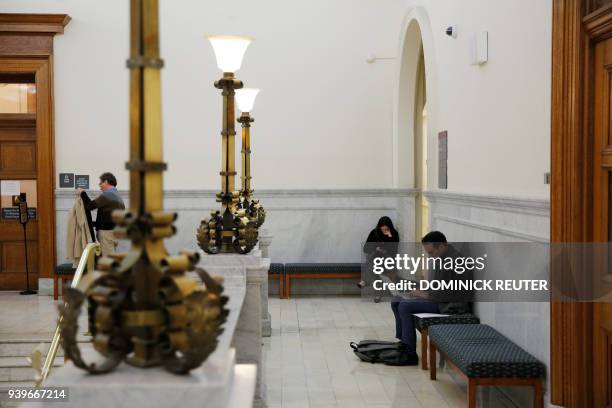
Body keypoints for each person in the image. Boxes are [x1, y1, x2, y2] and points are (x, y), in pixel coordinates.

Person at [389, 231, 471, 365]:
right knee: (396, 301)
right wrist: (422, 289)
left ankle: (410, 354)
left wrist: (424, 294)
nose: (430, 255)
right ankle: (403, 343)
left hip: (451, 306)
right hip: (440, 299)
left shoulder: (456, 262)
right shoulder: (443, 257)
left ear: (442, 246)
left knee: (405, 305)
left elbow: (452, 294)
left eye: (431, 252)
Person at [76, 172, 125, 256]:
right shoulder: (117, 196)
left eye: (100, 183)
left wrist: (83, 193)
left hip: (107, 234)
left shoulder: (107, 195)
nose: (100, 187)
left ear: (106, 182)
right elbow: (108, 217)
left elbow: (89, 206)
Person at [359, 216, 400, 291]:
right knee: (377, 261)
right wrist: (376, 247)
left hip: (388, 258)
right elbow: (365, 249)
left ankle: (365, 281)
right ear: (379, 228)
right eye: (383, 229)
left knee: (376, 263)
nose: (385, 231)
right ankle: (377, 294)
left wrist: (390, 236)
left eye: (387, 229)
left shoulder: (394, 234)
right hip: (375, 257)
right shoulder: (374, 233)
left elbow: (394, 250)